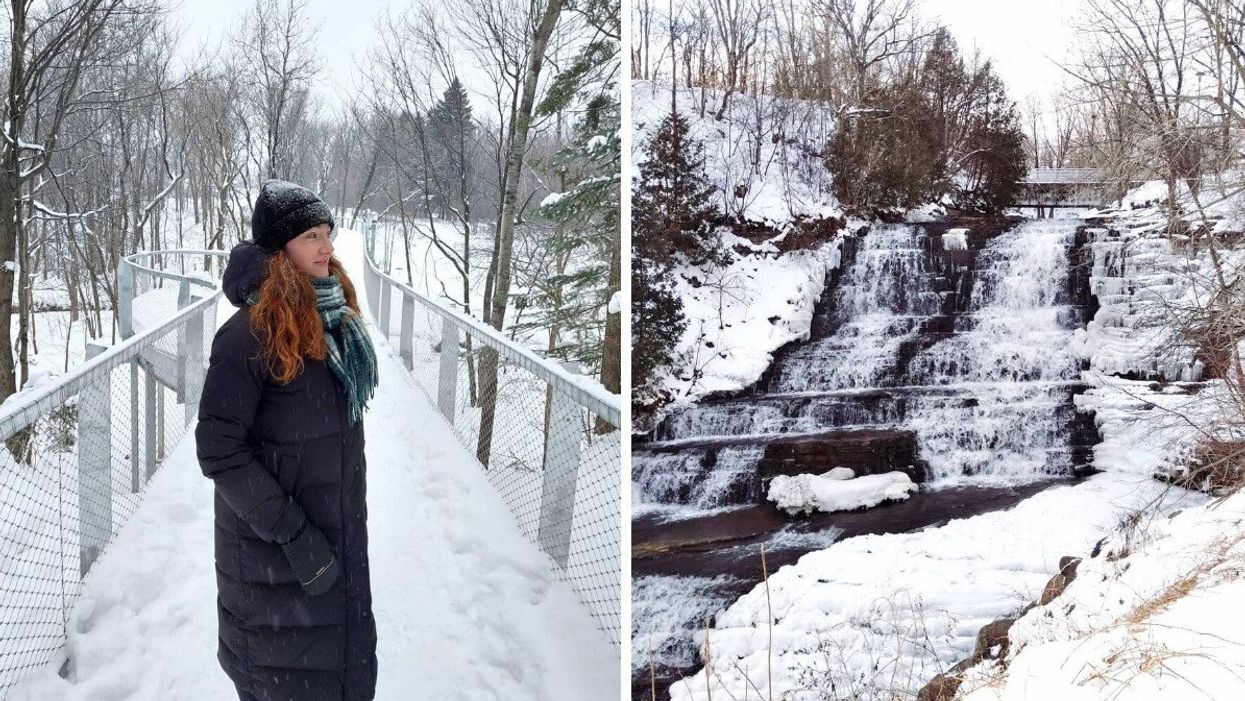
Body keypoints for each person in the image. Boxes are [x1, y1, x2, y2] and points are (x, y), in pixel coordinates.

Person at [195, 179, 380, 701]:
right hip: (274, 563)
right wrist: (298, 539)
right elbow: (219, 451)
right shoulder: (248, 335)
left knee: (339, 671)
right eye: (310, 237)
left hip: (333, 541)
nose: (326, 248)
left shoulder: (331, 322)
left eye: (327, 233)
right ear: (280, 250)